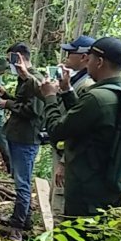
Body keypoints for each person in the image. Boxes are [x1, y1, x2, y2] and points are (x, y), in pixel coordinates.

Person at [40, 37, 121, 218]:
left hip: (85, 192)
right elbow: (84, 120)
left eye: (89, 58)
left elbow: (58, 131)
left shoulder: (96, 98)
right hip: (111, 188)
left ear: (100, 62)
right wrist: (66, 91)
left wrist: (50, 97)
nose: (87, 63)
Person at [0, 43, 45, 241]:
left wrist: (8, 104)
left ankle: (17, 228)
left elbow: (34, 110)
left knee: (22, 183)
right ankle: (25, 220)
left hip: (26, 138)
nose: (10, 65)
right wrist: (6, 95)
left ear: (20, 58)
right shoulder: (25, 80)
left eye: (11, 60)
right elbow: (23, 101)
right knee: (20, 180)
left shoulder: (37, 80)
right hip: (18, 136)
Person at [48, 35, 95, 217]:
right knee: (56, 196)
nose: (66, 56)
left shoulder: (86, 86)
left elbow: (80, 128)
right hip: (63, 149)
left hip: (68, 154)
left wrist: (64, 162)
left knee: (60, 200)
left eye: (70, 53)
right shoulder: (76, 82)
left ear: (84, 57)